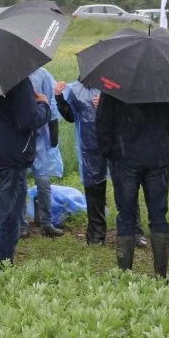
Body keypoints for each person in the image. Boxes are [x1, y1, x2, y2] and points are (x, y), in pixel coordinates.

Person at [97, 92, 169, 276]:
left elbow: (102, 122)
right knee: (158, 216)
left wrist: (107, 152)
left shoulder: (115, 85)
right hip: (157, 156)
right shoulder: (163, 84)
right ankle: (161, 274)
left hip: (124, 157)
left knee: (125, 215)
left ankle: (125, 273)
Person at [0, 78, 50, 264]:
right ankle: (3, 266)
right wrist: (44, 105)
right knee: (10, 216)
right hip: (10, 157)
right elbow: (28, 120)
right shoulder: (18, 80)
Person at [55, 79, 106, 245]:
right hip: (90, 148)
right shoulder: (77, 89)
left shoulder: (113, 86)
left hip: (117, 146)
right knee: (94, 192)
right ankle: (96, 236)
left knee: (127, 192)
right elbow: (70, 116)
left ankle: (134, 233)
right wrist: (59, 97)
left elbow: (126, 114)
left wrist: (106, 106)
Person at [25, 67, 65, 238]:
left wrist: (54, 136)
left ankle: (47, 223)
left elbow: (53, 106)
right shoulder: (10, 74)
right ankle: (21, 224)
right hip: (19, 138)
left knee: (43, 182)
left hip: (41, 137)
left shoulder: (42, 74)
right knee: (19, 182)